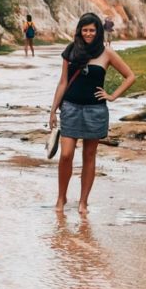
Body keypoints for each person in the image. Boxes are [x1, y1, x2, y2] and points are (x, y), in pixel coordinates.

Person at [48, 13, 136, 215]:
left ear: (98, 32)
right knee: (66, 155)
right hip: (70, 108)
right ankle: (61, 198)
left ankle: (83, 203)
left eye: (92, 30)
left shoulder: (107, 53)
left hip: (95, 111)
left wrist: (112, 95)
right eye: (85, 29)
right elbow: (63, 82)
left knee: (89, 156)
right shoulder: (70, 51)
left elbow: (130, 76)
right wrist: (53, 110)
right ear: (79, 30)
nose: (88, 33)